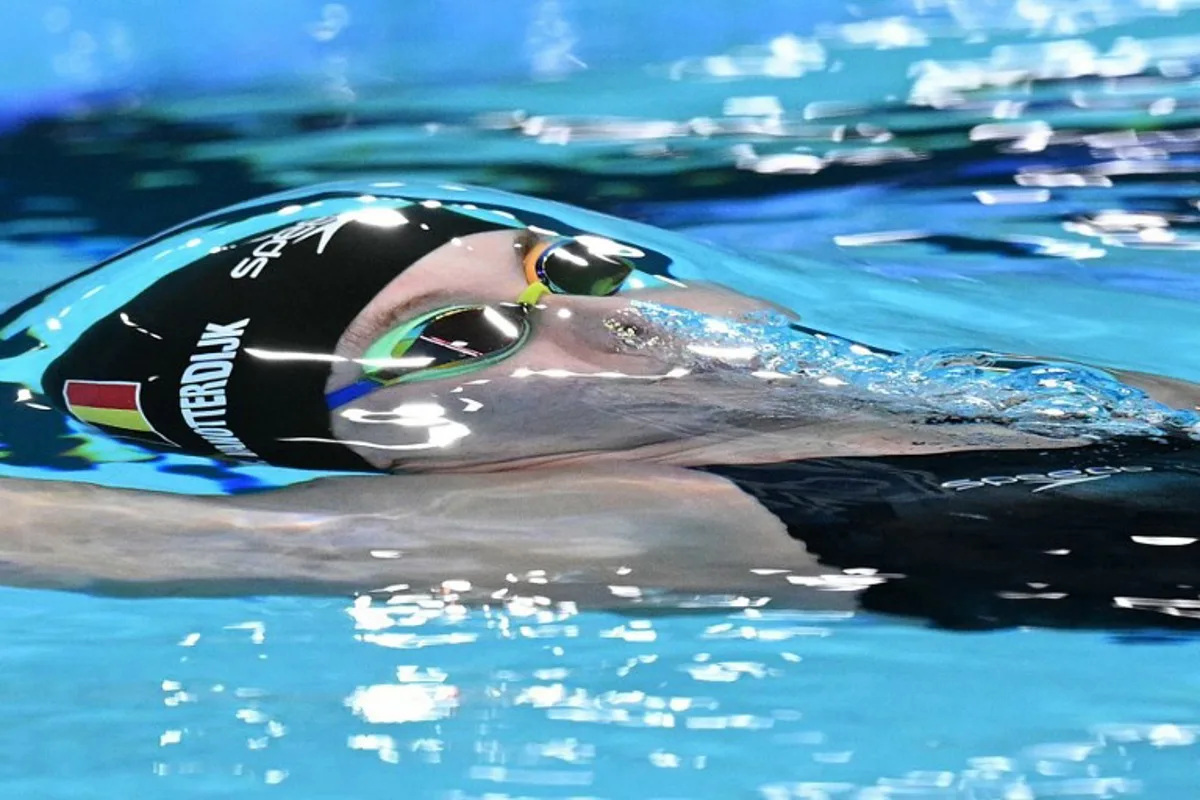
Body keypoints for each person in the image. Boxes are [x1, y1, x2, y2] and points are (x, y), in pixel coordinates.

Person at [0, 180, 1199, 628]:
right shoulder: (659, 514)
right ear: (408, 458)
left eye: (558, 264)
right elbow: (112, 533)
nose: (599, 312)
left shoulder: (1010, 393)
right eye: (454, 338)